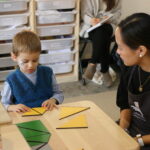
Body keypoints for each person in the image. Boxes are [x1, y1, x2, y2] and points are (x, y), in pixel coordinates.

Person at [1, 30, 64, 112]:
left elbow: (59, 93)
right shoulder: (11, 79)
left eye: (35, 60)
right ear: (14, 57)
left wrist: (53, 100)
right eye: (25, 61)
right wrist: (12, 107)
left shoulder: (47, 72)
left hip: (48, 114)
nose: (31, 65)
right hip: (25, 117)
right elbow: (4, 104)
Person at [115, 13, 150, 149]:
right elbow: (125, 105)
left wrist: (138, 141)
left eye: (120, 47)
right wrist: (123, 127)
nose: (117, 52)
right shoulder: (130, 69)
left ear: (140, 50)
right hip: (132, 131)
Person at [80, 0, 121, 87]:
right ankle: (104, 70)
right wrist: (92, 20)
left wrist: (108, 19)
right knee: (102, 34)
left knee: (103, 31)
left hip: (109, 25)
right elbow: (84, 14)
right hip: (91, 26)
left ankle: (92, 63)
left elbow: (118, 12)